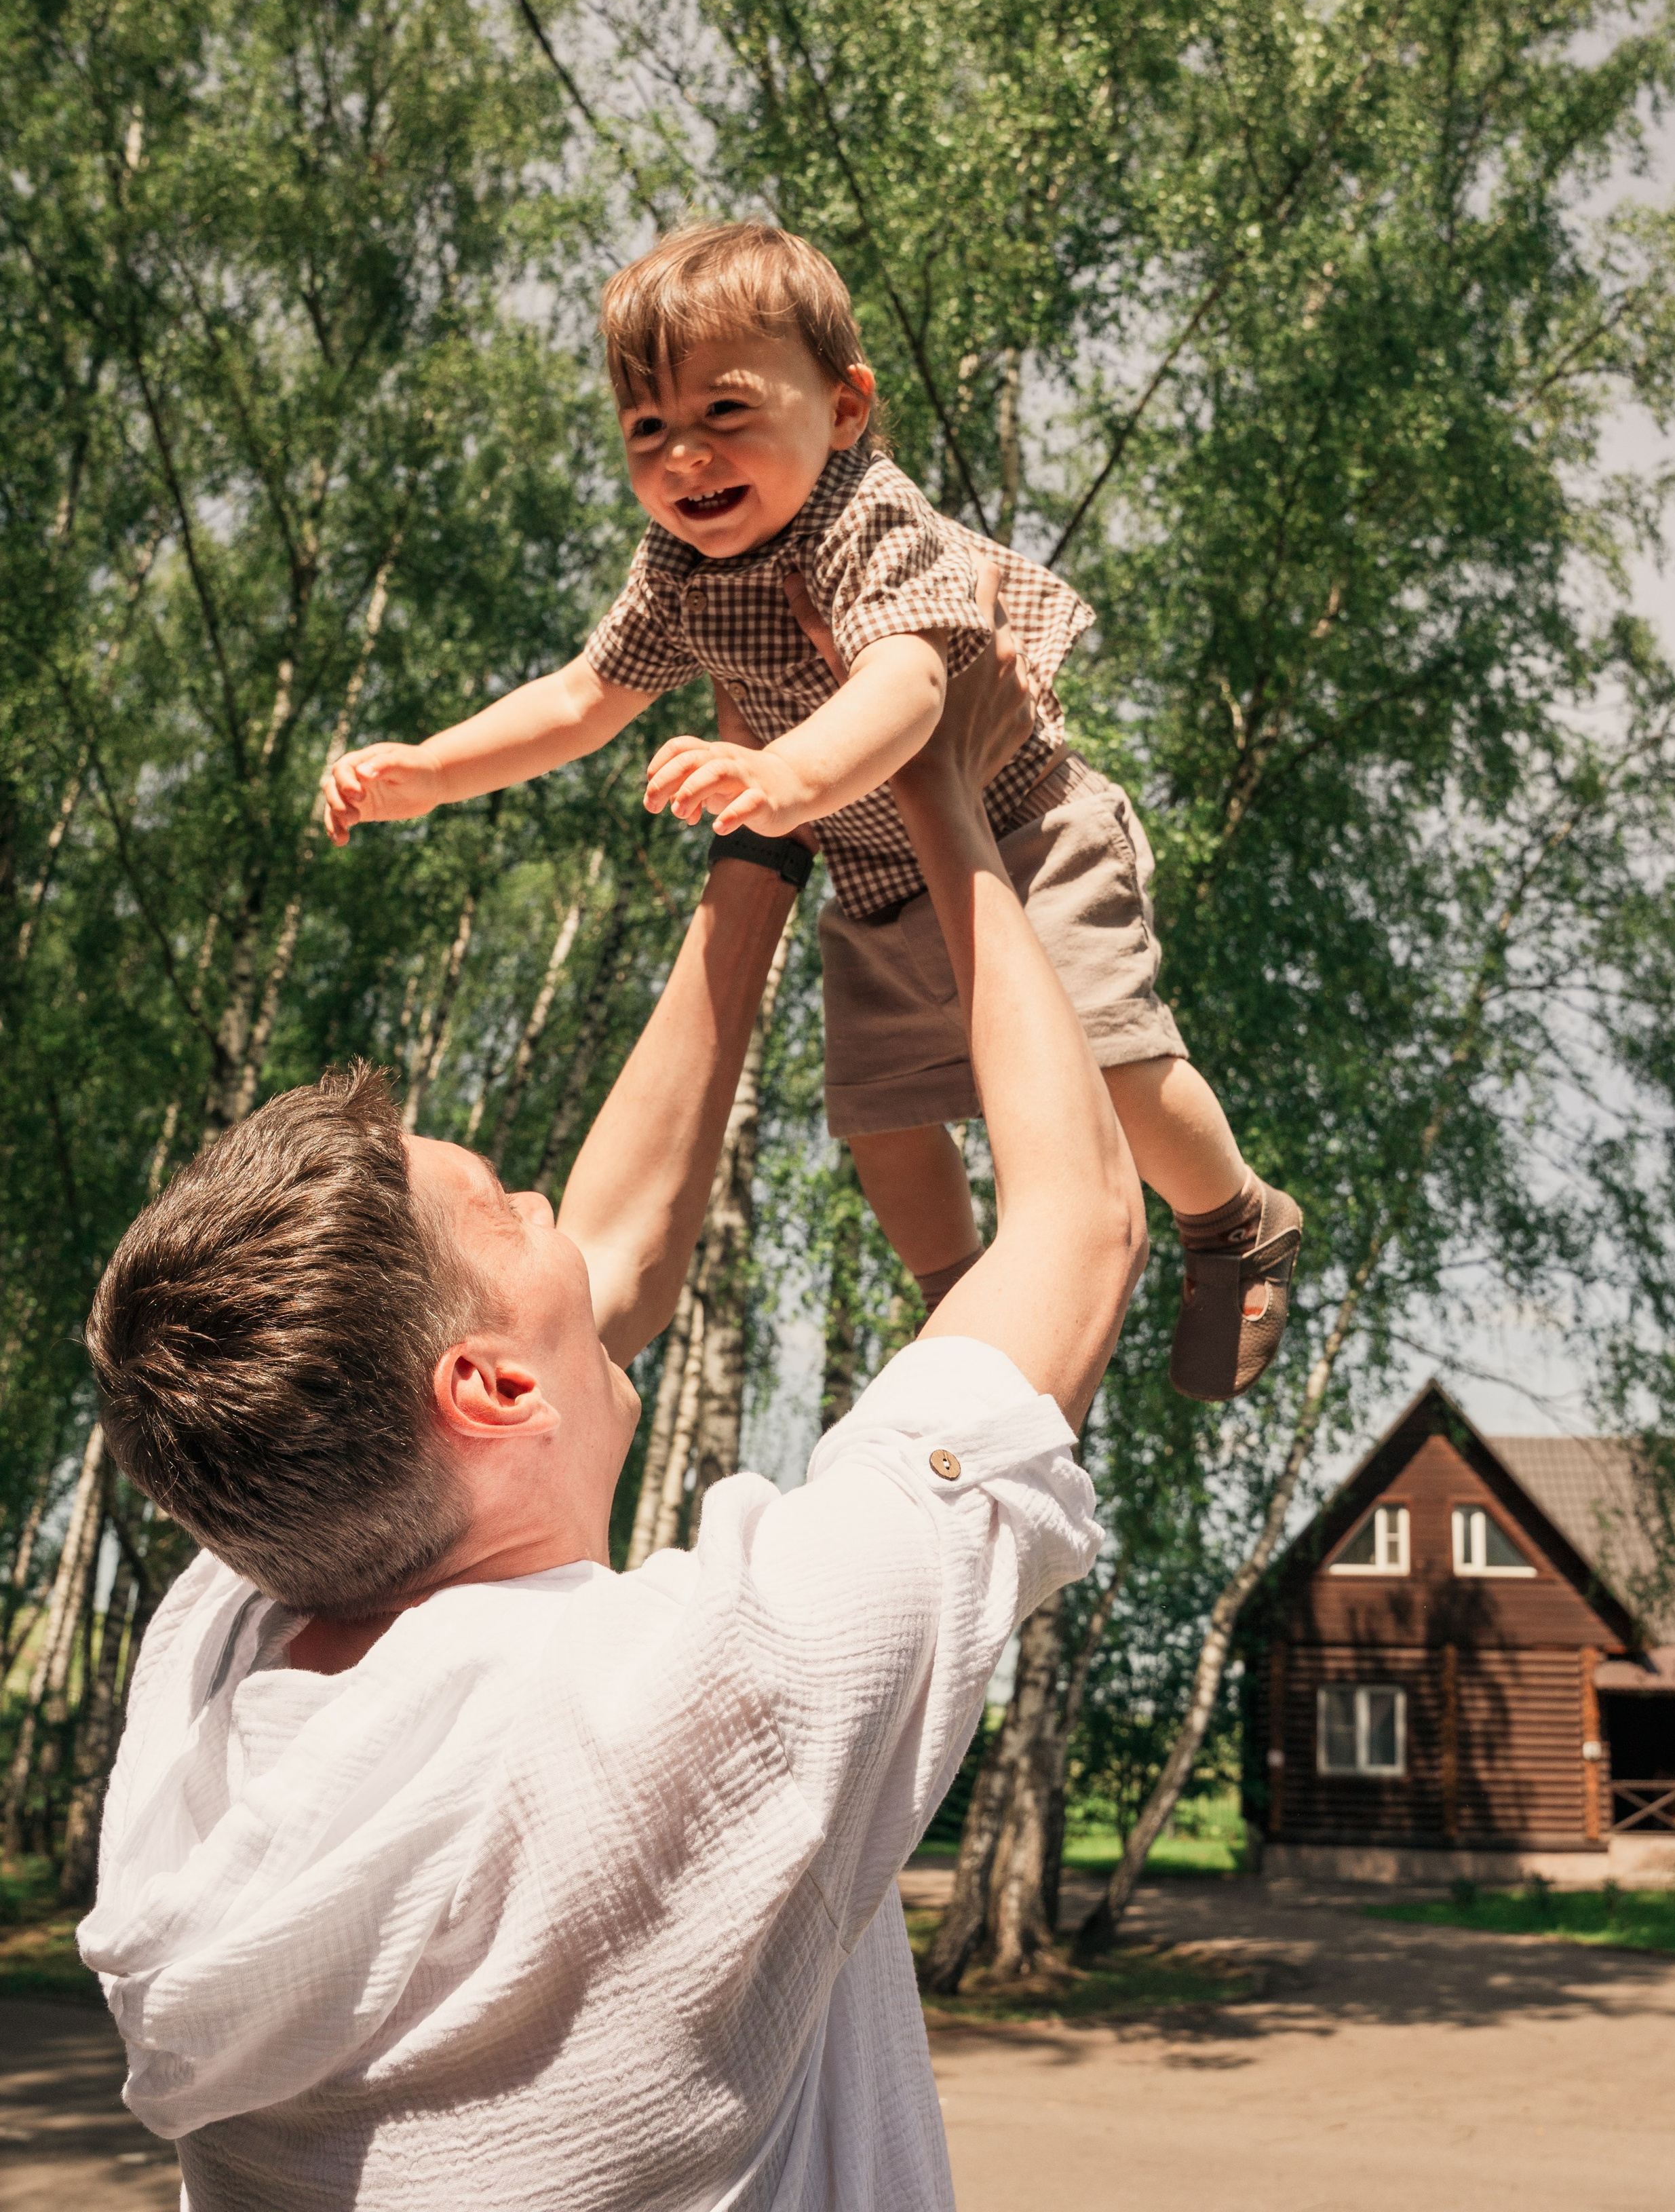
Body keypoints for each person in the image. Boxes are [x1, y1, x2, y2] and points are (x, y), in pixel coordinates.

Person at [78, 592, 1144, 2210]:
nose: (548, 1218)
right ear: (490, 1386)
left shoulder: (223, 1658)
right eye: (506, 1209)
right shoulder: (720, 1695)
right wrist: (933, 781)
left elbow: (613, 1258)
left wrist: (764, 844)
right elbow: (1076, 1227)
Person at [318, 218, 1299, 1402]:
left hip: (1031, 839)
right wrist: (433, 770)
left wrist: (785, 776)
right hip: (877, 879)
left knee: (1109, 1060)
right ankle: (964, 1301)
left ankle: (1233, 1219)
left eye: (724, 411)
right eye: (648, 428)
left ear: (843, 407)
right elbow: (584, 697)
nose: (685, 456)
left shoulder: (862, 517)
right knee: (877, 1117)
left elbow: (910, 684)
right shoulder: (678, 567)